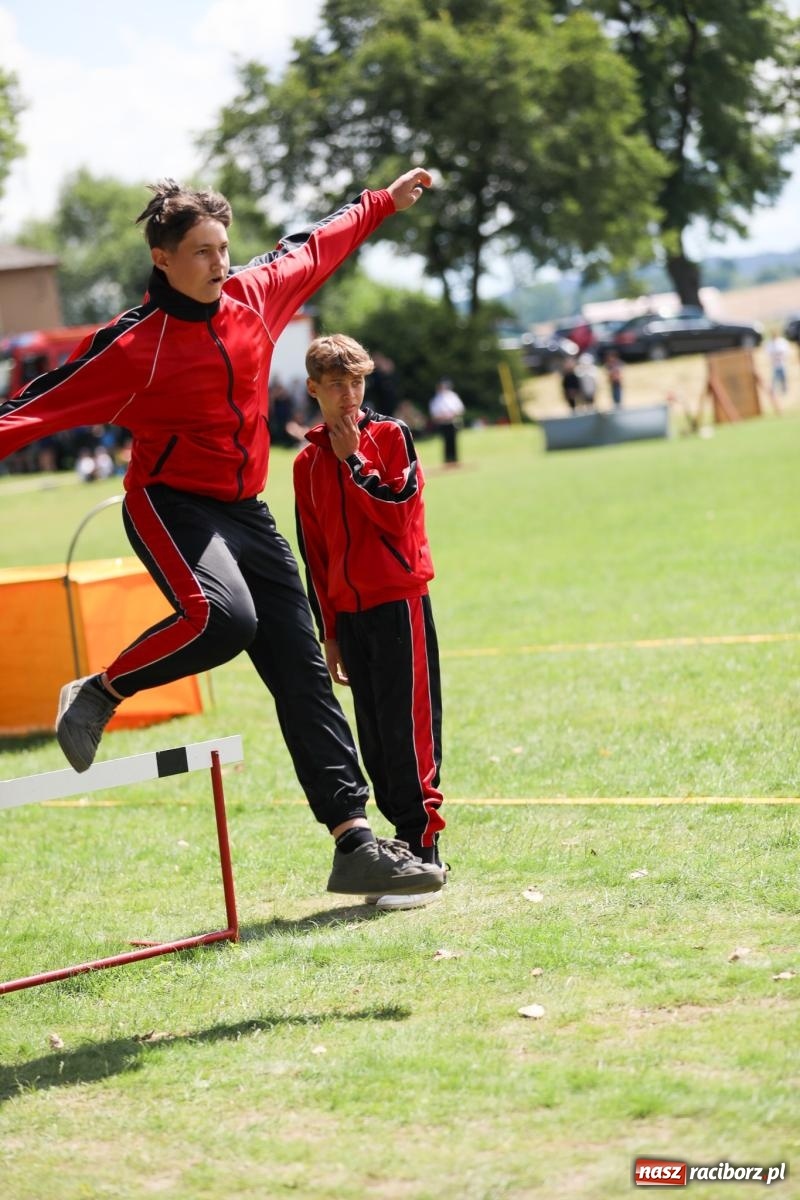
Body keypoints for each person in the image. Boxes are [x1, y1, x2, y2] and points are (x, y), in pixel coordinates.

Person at [0, 167, 445, 902]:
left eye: (223, 248)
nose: (219, 263)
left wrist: (381, 204)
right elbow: (32, 408)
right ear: (162, 259)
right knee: (225, 617)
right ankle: (102, 690)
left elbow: (317, 244)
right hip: (170, 504)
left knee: (302, 672)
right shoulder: (132, 344)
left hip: (245, 508)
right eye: (202, 252)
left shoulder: (256, 295)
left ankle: (354, 844)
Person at [294, 335, 446, 910]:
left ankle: (423, 847)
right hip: (349, 617)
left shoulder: (389, 437)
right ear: (314, 389)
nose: (349, 395)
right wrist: (327, 630)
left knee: (408, 732)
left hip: (398, 601)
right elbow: (316, 554)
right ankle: (398, 854)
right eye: (336, 385)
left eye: (357, 382)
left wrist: (353, 459)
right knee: (375, 738)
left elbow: (399, 513)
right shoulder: (305, 464)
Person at [429, 378, 465, 465]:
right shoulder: (436, 399)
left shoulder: (453, 396)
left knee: (453, 441)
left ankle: (455, 459)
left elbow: (460, 408)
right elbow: (434, 413)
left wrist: (452, 414)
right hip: (442, 423)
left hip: (453, 422)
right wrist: (441, 416)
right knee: (445, 441)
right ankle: (447, 460)